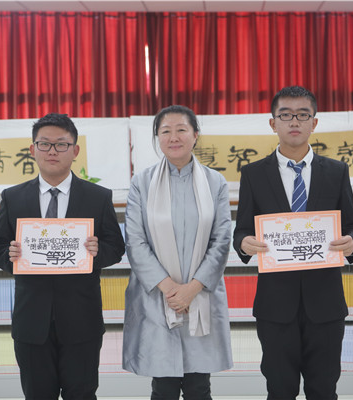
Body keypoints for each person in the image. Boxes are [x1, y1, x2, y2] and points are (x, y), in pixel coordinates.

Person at [233, 86, 353, 400]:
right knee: (280, 390)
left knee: (323, 390)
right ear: (273, 123)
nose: (294, 121)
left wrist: (352, 242)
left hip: (326, 302)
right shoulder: (253, 174)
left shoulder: (336, 171)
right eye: (286, 115)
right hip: (275, 305)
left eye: (303, 115)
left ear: (314, 123)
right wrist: (245, 244)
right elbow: (241, 231)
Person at [0, 113, 125, 400]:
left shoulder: (98, 197)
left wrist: (97, 252)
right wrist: (11, 255)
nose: (52, 151)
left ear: (75, 150)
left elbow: (116, 246)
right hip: (31, 320)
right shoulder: (13, 197)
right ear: (32, 149)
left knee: (82, 394)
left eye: (61, 144)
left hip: (82, 319)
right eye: (45, 144)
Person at [122, 105, 233, 399]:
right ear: (157, 137)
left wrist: (191, 290)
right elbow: (135, 241)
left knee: (199, 386)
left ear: (195, 135)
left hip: (201, 295)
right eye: (166, 131)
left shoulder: (215, 182)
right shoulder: (142, 183)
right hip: (157, 297)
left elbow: (221, 240)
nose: (174, 137)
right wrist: (172, 290)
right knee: (163, 387)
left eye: (181, 129)